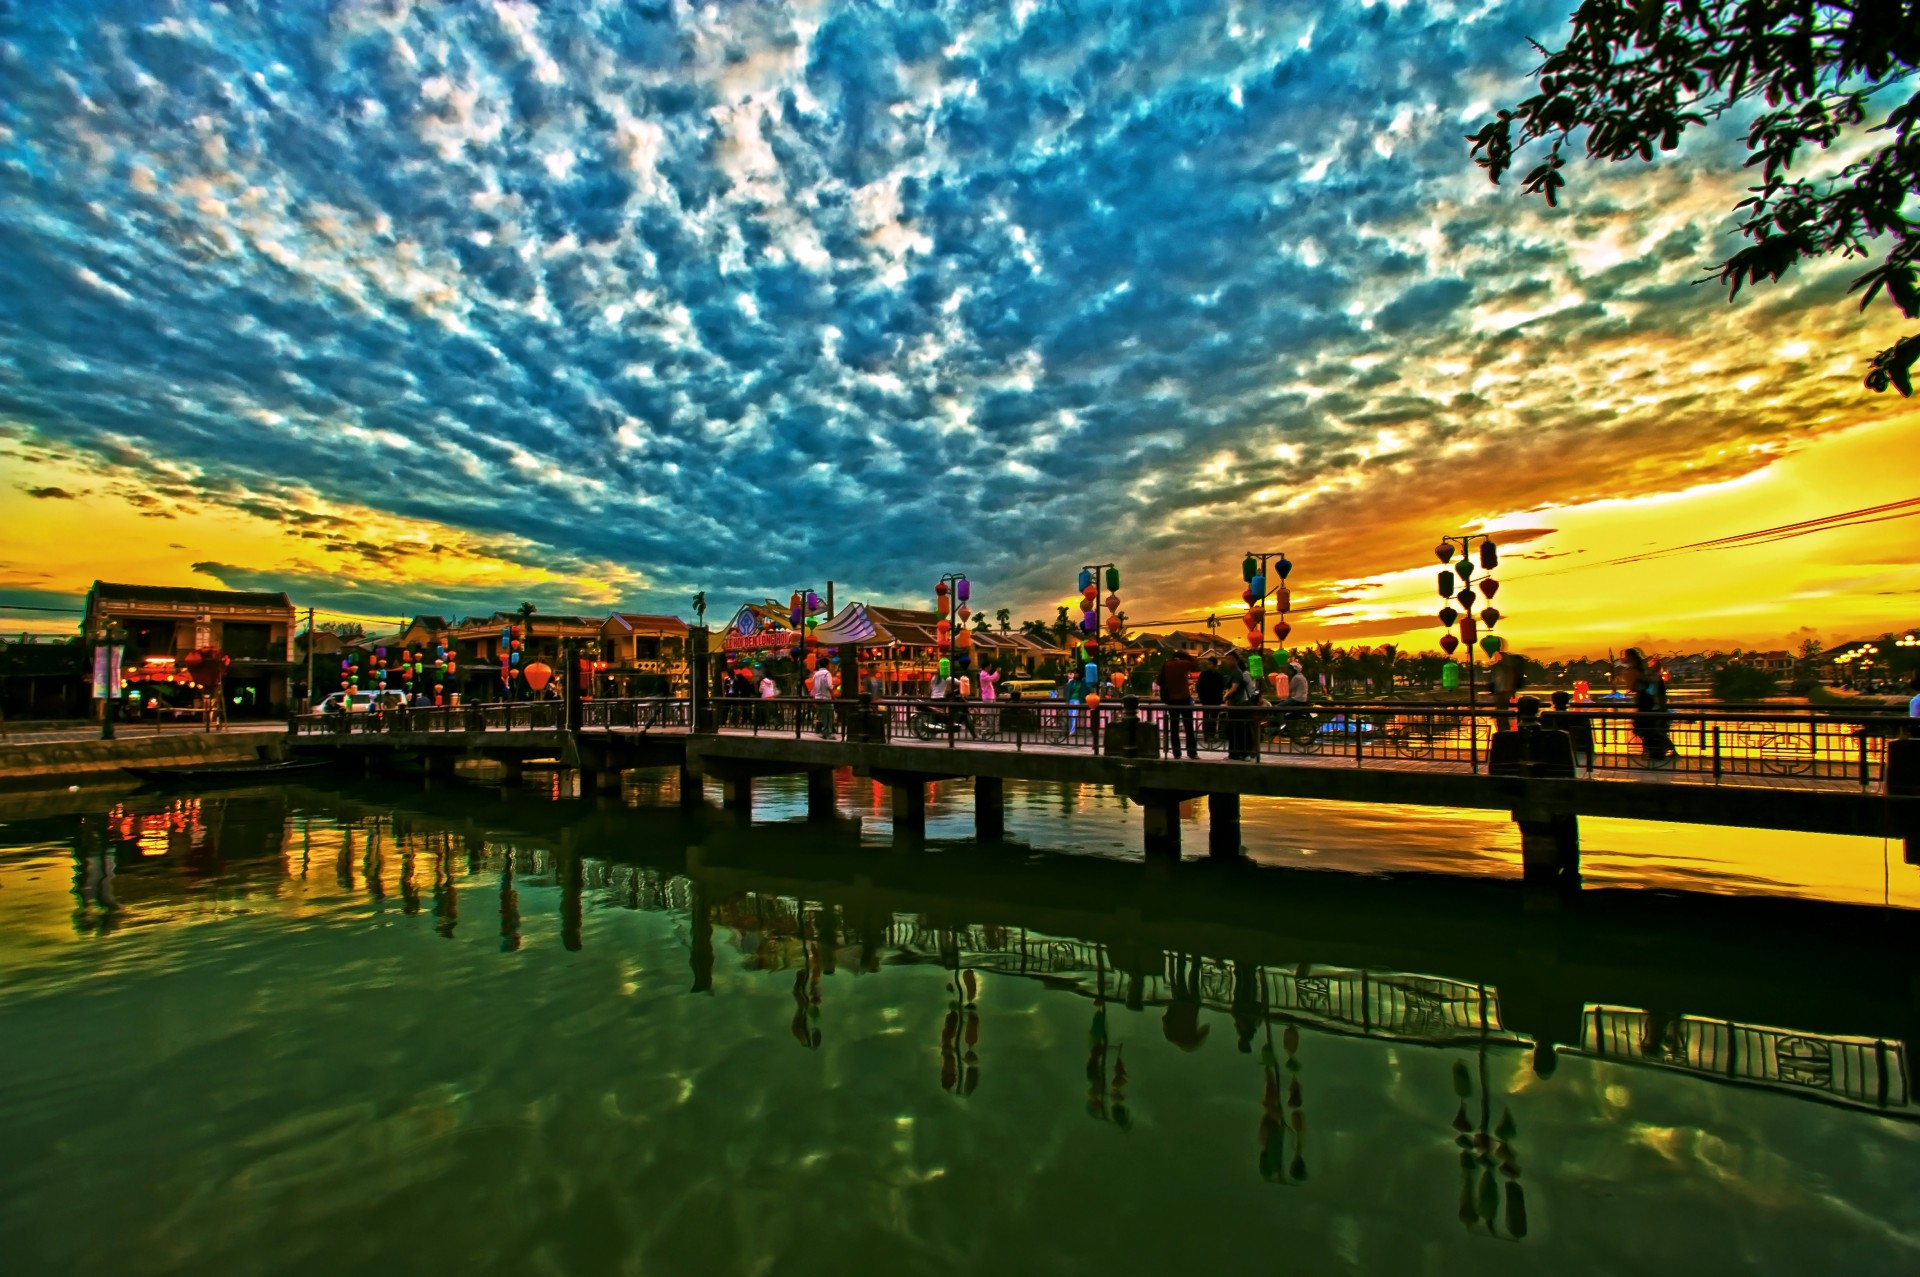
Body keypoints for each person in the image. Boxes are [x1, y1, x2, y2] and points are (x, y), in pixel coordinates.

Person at [1623, 648, 1674, 764]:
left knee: (1645, 727)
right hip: (1649, 703)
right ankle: (1656, 750)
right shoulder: (1641, 670)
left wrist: (1636, 682)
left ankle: (1659, 750)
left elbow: (1643, 684)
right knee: (1647, 727)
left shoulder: (1641, 671)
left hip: (1648, 703)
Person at [1157, 646, 1199, 759]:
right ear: (1182, 658)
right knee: (1188, 727)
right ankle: (1192, 753)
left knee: (1174, 728)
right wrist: (1187, 655)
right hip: (1184, 699)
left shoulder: (1166, 665)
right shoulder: (1184, 664)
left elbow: (1159, 681)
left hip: (1171, 700)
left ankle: (1177, 753)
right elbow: (1195, 664)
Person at [1223, 651, 1261, 760]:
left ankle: (1241, 753)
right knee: (1238, 730)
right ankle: (1238, 753)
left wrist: (1225, 697)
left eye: (1230, 659)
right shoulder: (1235, 672)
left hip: (1239, 705)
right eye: (1227, 659)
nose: (1228, 661)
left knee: (1240, 730)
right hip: (1237, 705)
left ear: (1236, 661)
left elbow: (1234, 688)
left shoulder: (1238, 673)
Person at [1196, 656, 1226, 744]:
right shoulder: (1204, 674)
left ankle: (1211, 735)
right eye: (1208, 664)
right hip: (1207, 700)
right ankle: (1207, 735)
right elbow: (1199, 686)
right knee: (1207, 718)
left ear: (1215, 665)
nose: (1209, 665)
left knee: (1213, 718)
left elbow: (1221, 687)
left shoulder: (1218, 675)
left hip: (1214, 700)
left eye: (1210, 664)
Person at [809, 661, 835, 738]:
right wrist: (833, 693)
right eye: (830, 664)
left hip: (817, 697)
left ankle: (822, 731)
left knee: (821, 715)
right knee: (829, 715)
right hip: (826, 697)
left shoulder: (815, 674)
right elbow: (829, 686)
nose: (830, 666)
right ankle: (827, 733)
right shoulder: (827, 673)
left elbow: (814, 686)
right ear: (827, 665)